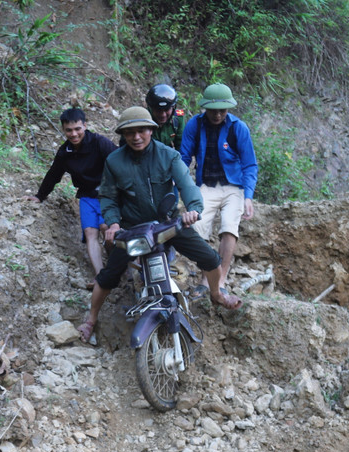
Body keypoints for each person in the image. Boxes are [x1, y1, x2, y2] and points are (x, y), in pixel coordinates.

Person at [76, 107, 241, 342]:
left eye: (141, 130)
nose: (136, 137)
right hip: (132, 229)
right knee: (107, 277)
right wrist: (112, 223)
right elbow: (108, 197)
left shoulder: (168, 155)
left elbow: (187, 185)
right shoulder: (114, 161)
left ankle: (216, 293)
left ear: (151, 130)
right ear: (123, 135)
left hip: (167, 225)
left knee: (211, 260)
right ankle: (91, 319)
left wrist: (193, 209)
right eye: (130, 132)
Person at [179, 83, 258, 299]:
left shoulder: (238, 128)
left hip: (234, 186)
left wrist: (248, 196)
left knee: (229, 227)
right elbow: (183, 158)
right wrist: (178, 184)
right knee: (198, 226)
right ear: (205, 108)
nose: (218, 114)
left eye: (222, 110)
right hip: (207, 185)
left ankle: (220, 280)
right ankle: (207, 279)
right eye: (214, 110)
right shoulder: (194, 126)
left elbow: (250, 165)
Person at [25, 108, 117, 279]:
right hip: (87, 196)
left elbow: (120, 162)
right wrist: (39, 196)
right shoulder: (64, 152)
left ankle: (117, 263)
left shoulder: (99, 143)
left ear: (85, 126)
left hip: (109, 193)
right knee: (91, 233)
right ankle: (101, 277)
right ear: (63, 130)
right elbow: (53, 175)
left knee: (107, 228)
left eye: (77, 129)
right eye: (69, 130)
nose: (74, 134)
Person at [146, 83, 185, 150]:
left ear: (173, 108)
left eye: (167, 110)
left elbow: (181, 145)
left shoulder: (178, 119)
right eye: (158, 110)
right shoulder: (143, 119)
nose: (163, 115)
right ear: (151, 108)